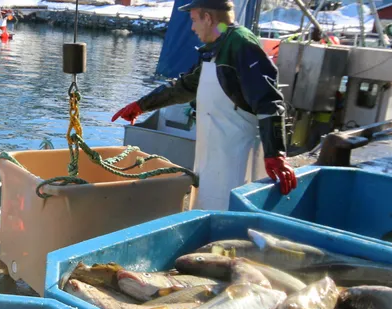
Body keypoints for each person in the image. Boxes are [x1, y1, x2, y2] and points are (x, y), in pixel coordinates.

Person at [111, 0, 297, 210]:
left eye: (193, 20)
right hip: (213, 157)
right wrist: (141, 106)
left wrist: (275, 154)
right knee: (209, 211)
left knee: (233, 218)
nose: (192, 27)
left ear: (208, 18)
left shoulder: (241, 44)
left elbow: (269, 101)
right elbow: (184, 87)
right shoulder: (215, 50)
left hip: (239, 157)